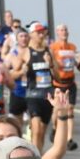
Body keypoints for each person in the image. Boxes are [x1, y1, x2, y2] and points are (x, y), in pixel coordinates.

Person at [13, 23, 58, 151]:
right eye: (38, 32)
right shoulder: (25, 52)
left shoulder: (49, 52)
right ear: (31, 34)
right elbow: (12, 74)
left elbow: (58, 77)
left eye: (42, 32)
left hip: (48, 97)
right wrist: (22, 71)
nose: (41, 34)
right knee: (37, 129)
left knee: (41, 132)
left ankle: (38, 156)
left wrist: (50, 65)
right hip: (32, 96)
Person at [49, 22, 80, 149]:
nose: (64, 32)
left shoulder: (72, 47)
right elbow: (50, 63)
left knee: (70, 109)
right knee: (57, 109)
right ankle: (53, 127)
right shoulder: (54, 47)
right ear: (57, 33)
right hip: (58, 83)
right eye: (61, 30)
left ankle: (69, 139)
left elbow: (75, 62)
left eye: (65, 30)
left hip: (70, 82)